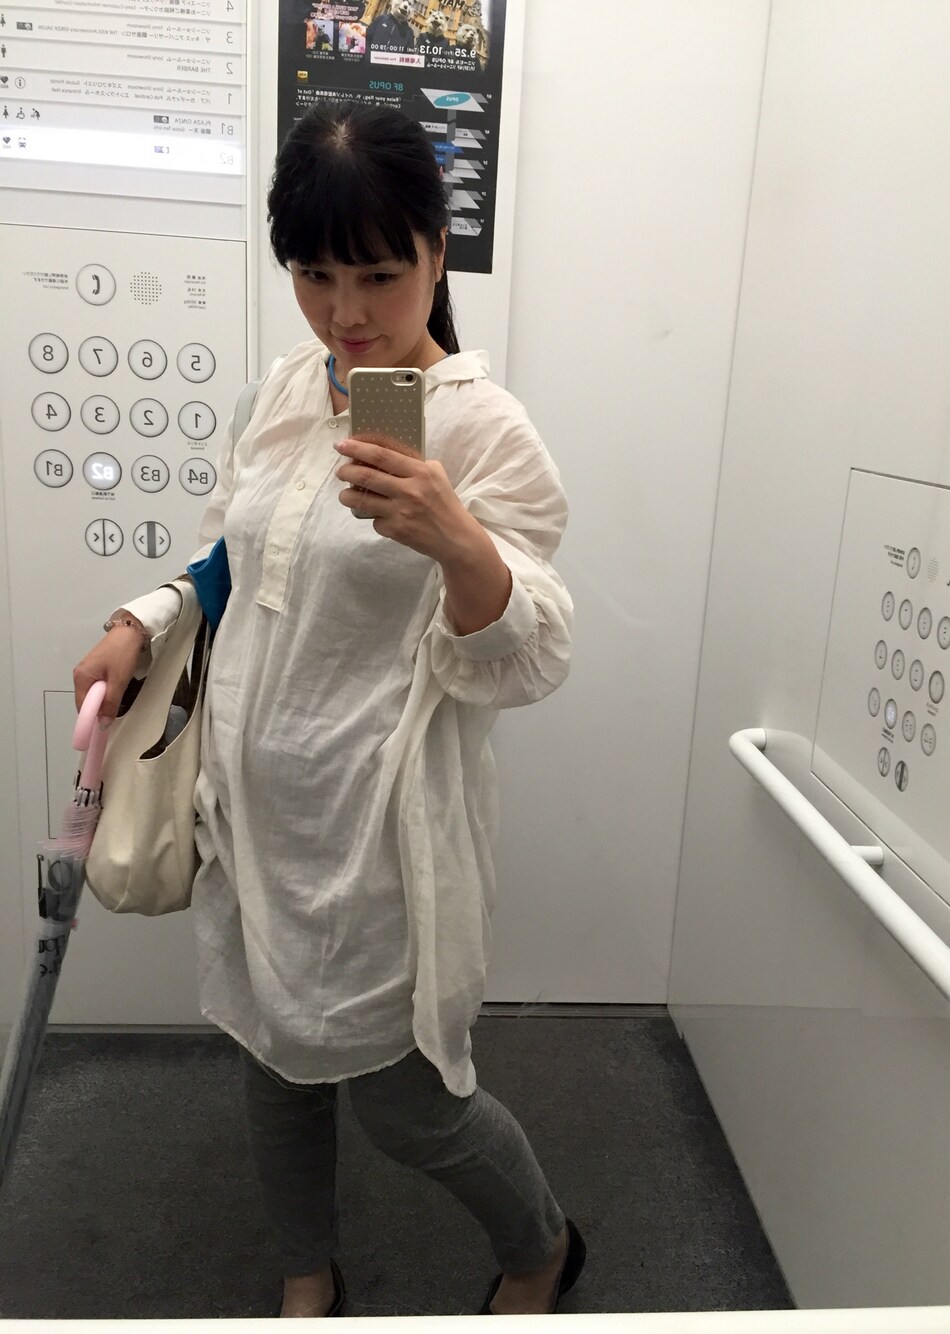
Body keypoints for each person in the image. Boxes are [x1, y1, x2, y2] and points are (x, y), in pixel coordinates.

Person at [72, 100, 581, 1319]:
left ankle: (543, 1246)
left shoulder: (484, 430)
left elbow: (535, 651)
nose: (346, 313)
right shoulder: (290, 387)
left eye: (377, 274)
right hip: (252, 813)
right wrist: (145, 618)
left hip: (375, 843)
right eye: (314, 274)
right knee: (270, 1063)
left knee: (414, 1106)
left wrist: (457, 540)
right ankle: (308, 1270)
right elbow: (232, 551)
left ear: (437, 254)